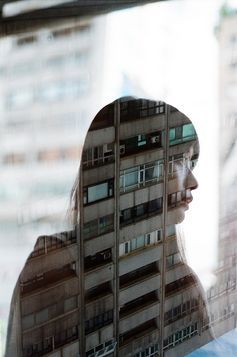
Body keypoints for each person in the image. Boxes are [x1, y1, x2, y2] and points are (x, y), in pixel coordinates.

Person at [5, 97, 213, 357]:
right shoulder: (59, 267)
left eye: (190, 162)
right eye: (180, 160)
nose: (193, 181)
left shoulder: (182, 284)